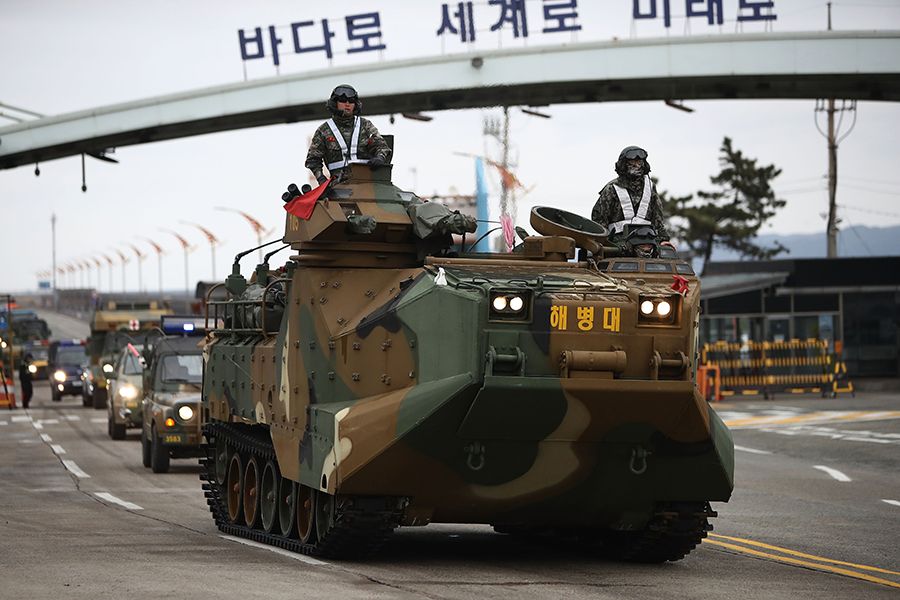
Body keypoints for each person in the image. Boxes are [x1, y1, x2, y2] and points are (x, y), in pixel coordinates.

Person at [591, 146, 676, 251]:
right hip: (618, 244)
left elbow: (658, 217)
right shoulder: (612, 188)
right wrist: (603, 242)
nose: (636, 165)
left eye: (639, 161)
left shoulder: (650, 187)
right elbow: (599, 219)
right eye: (632, 162)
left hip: (647, 243)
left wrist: (663, 239)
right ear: (624, 164)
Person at [305, 84, 391, 185]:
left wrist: (380, 157)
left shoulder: (365, 125)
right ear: (334, 103)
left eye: (351, 101)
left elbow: (383, 147)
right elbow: (312, 160)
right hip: (337, 186)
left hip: (367, 184)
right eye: (342, 100)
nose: (347, 104)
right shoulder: (324, 130)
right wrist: (321, 179)